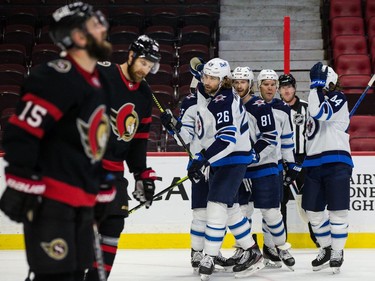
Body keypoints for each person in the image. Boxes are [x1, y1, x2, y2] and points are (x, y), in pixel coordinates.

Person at [0, 2, 114, 281]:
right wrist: (22, 180)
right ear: (78, 36)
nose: (104, 27)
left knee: (76, 275)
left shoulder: (98, 82)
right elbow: (22, 133)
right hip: (51, 202)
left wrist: (100, 184)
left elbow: (92, 144)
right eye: (95, 23)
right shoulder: (56, 76)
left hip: (82, 201)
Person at [162, 58, 264, 280]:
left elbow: (227, 140)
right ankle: (252, 251)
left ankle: (209, 255)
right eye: (206, 77)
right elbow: (188, 136)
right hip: (219, 160)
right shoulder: (203, 95)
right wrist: (173, 127)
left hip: (233, 158)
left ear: (224, 80)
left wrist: (203, 159)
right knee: (229, 209)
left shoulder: (224, 100)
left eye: (213, 78)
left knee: (215, 206)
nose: (207, 81)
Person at [84, 35, 161, 281]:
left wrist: (142, 173)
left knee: (114, 224)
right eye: (143, 63)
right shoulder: (102, 74)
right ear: (130, 56)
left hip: (113, 171)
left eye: (150, 65)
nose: (145, 69)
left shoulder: (144, 95)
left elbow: (137, 141)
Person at [302, 62, 353, 273]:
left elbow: (320, 113)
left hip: (337, 160)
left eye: (321, 82)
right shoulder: (314, 97)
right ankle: (327, 248)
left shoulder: (339, 98)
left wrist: (315, 87)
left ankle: (338, 252)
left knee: (337, 212)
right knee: (312, 212)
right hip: (313, 162)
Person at [278, 73, 319, 247]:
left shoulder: (307, 108)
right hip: (281, 161)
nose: (286, 90)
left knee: (310, 200)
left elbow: (315, 134)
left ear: (295, 88)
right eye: (283, 87)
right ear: (279, 90)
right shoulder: (274, 108)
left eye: (289, 87)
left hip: (303, 160)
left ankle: (319, 239)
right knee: (280, 203)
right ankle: (281, 243)